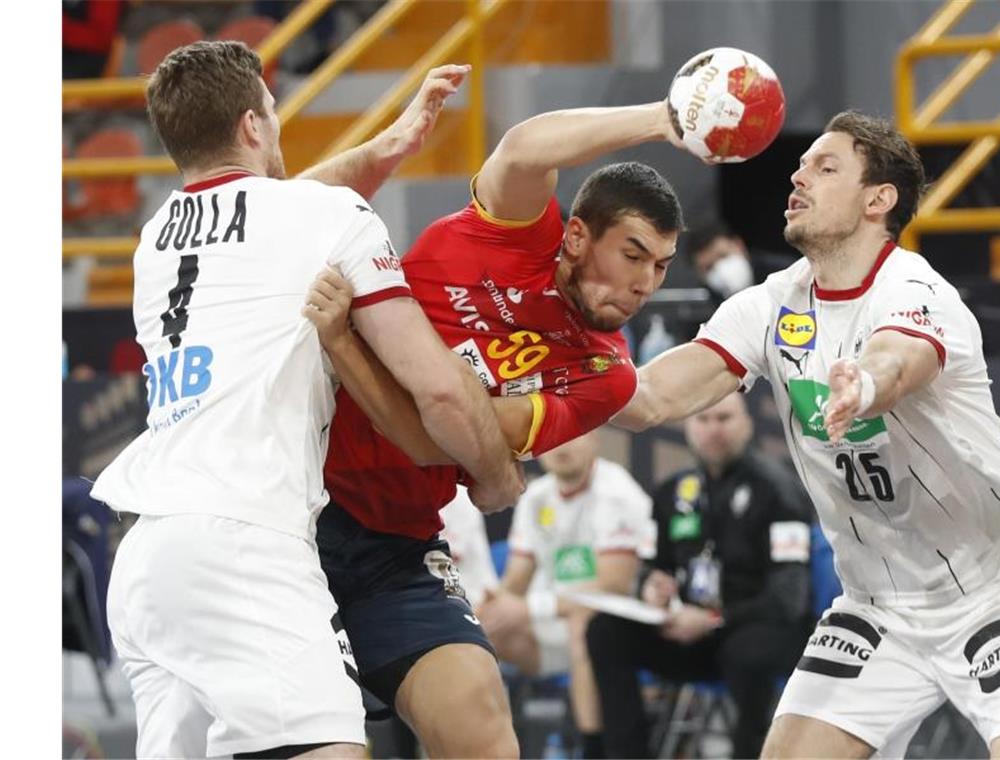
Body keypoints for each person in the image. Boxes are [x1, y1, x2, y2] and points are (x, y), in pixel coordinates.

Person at [90, 42, 521, 759]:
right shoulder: (318, 216)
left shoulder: (153, 242)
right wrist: (497, 472)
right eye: (273, 111)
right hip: (244, 538)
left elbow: (270, 209)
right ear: (254, 125)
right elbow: (440, 387)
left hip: (146, 559)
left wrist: (382, 151)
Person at [614, 110, 1000, 758]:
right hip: (878, 605)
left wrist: (864, 383)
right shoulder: (766, 305)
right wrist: (550, 382)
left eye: (825, 167)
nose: (798, 178)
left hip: (999, 589)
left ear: (878, 199)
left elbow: (896, 358)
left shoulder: (918, 290)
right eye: (801, 168)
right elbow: (654, 395)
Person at [302, 96, 691, 757]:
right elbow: (524, 147)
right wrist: (663, 119)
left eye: (660, 267)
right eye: (632, 254)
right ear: (575, 238)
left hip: (395, 542)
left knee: (485, 730)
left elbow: (436, 436)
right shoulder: (511, 231)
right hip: (297, 511)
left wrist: (345, 343)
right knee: (322, 742)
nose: (643, 284)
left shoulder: (606, 372)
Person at [588, 392, 813, 758]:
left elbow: (788, 598)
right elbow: (650, 566)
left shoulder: (777, 490)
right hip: (691, 633)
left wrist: (715, 620)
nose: (713, 430)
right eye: (703, 419)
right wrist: (651, 588)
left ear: (747, 423)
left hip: (758, 631)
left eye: (724, 419)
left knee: (747, 652)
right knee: (604, 631)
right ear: (689, 426)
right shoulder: (674, 491)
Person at [476, 432, 654, 760]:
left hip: (617, 628)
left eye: (573, 436)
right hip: (550, 624)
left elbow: (611, 585)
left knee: (584, 625)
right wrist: (493, 606)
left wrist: (529, 607)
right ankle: (481, 747)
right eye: (553, 439)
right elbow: (517, 578)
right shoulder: (536, 497)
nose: (561, 447)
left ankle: (592, 748)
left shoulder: (617, 491)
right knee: (475, 632)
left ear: (595, 440)